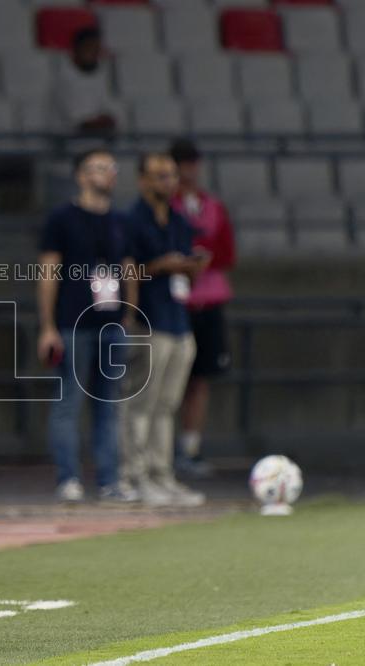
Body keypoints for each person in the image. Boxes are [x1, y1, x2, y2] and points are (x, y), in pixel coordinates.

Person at [37, 148, 136, 504]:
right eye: (98, 168)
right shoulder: (62, 219)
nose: (107, 174)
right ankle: (69, 478)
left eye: (111, 167)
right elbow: (49, 271)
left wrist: (128, 314)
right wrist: (48, 325)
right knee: (69, 401)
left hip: (110, 323)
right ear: (80, 175)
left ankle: (110, 480)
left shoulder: (120, 221)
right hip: (73, 323)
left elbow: (128, 269)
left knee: (108, 405)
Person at [120, 153, 208, 508]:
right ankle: (134, 474)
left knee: (167, 404)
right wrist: (158, 266)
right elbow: (128, 271)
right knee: (141, 401)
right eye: (158, 176)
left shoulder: (178, 221)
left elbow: (187, 272)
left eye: (170, 176)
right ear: (142, 180)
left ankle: (162, 473)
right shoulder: (132, 221)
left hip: (177, 319)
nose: (166, 182)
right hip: (149, 319)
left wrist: (192, 266)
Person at [169, 138, 236, 479]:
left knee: (200, 379)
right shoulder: (168, 205)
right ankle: (163, 450)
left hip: (209, 298)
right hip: (178, 301)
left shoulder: (212, 206)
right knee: (171, 378)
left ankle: (190, 447)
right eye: (183, 163)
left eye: (193, 163)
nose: (189, 170)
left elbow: (226, 252)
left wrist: (200, 252)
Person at [53, 26, 119, 133]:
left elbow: (112, 117)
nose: (92, 53)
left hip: (100, 145)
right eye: (88, 47)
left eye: (96, 49)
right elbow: (81, 124)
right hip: (69, 145)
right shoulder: (64, 80)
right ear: (76, 49)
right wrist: (102, 123)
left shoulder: (102, 77)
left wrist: (108, 121)